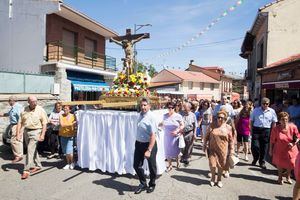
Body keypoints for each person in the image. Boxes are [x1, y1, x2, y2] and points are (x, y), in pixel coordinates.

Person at [16, 96, 48, 180]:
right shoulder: (24, 110)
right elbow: (20, 122)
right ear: (28, 102)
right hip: (26, 131)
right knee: (32, 150)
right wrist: (18, 133)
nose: (35, 103)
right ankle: (38, 165)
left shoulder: (40, 109)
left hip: (36, 131)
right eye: (33, 101)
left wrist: (42, 135)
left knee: (30, 149)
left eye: (36, 101)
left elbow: (44, 123)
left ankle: (26, 170)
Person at [203, 111, 234, 188]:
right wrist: (204, 144)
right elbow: (206, 136)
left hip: (223, 150)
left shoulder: (228, 128)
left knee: (221, 166)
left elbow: (231, 141)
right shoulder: (212, 126)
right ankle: (213, 179)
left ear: (225, 119)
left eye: (221, 118)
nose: (219, 119)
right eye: (218, 117)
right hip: (212, 149)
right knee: (212, 165)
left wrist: (232, 150)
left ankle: (219, 179)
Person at [133, 97, 158, 194]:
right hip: (139, 144)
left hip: (149, 145)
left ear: (149, 106)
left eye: (145, 105)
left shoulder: (151, 117)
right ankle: (143, 183)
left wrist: (149, 150)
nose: (143, 107)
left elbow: (153, 136)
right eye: (141, 105)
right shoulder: (140, 114)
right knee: (136, 165)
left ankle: (152, 184)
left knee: (152, 167)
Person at [269, 112, 299, 184]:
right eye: (282, 119)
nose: (285, 121)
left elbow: (298, 137)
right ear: (279, 120)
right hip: (280, 149)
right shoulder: (276, 129)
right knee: (280, 164)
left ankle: (288, 176)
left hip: (291, 149)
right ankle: (280, 177)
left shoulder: (293, 127)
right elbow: (272, 140)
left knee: (292, 163)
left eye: (286, 119)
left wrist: (293, 143)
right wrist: (270, 149)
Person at [250, 97, 277, 169]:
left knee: (264, 147)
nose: (265, 105)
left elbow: (274, 122)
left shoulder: (272, 111)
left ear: (269, 104)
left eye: (267, 104)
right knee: (255, 146)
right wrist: (251, 130)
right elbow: (251, 121)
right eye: (264, 103)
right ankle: (256, 157)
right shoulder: (256, 110)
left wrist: (273, 132)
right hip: (256, 129)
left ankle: (262, 162)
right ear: (261, 104)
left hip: (266, 130)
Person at [161, 101, 184, 172]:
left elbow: (182, 125)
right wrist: (159, 125)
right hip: (167, 136)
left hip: (175, 136)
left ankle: (178, 162)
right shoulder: (165, 116)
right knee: (167, 151)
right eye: (169, 107)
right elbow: (162, 124)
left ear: (174, 108)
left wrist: (177, 131)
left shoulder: (178, 116)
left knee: (176, 151)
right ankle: (170, 165)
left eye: (172, 107)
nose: (170, 109)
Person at [0, 96, 23, 163]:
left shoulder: (17, 107)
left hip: (17, 125)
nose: (8, 102)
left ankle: (18, 156)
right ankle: (18, 155)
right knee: (16, 140)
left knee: (14, 140)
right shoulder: (14, 107)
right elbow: (9, 114)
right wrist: (2, 114)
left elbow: (21, 118)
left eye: (9, 101)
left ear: (13, 101)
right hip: (13, 125)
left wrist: (20, 128)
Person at [59, 105, 76, 170]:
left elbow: (76, 123)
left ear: (70, 110)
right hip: (63, 135)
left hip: (70, 135)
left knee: (69, 152)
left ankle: (72, 162)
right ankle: (68, 163)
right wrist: (71, 124)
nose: (65, 110)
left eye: (66, 108)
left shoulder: (73, 116)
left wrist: (74, 124)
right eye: (64, 109)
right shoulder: (61, 116)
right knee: (65, 152)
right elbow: (62, 125)